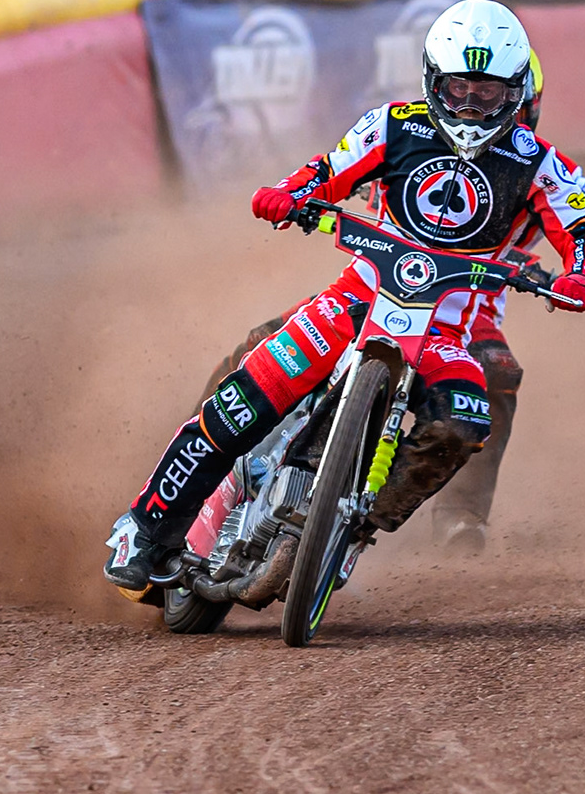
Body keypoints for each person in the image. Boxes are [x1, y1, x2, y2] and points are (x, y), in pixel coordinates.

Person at [103, 0, 585, 593]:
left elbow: (584, 236)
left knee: (469, 419)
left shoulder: (546, 167)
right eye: (459, 88)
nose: (471, 105)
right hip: (352, 305)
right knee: (241, 398)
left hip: (448, 333)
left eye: (489, 93)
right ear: (431, 80)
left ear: (516, 93)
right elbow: (325, 170)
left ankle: (356, 527)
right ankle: (143, 530)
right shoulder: (392, 125)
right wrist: (289, 194)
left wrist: (581, 277)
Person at [191, 50, 549, 556]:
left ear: (520, 105)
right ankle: (204, 442)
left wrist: (540, 273)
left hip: (463, 311)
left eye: (491, 98)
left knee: (498, 372)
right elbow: (345, 170)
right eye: (463, 96)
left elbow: (568, 240)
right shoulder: (412, 139)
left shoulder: (535, 175)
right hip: (375, 285)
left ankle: (459, 515)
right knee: (265, 340)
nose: (474, 115)